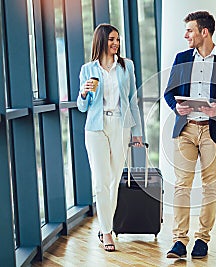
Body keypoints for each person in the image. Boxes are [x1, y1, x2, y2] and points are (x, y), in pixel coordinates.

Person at [164, 11, 216, 259]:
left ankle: (202, 239)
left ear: (204, 32)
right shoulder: (182, 58)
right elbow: (169, 92)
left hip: (213, 131)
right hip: (186, 129)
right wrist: (176, 106)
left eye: (190, 30)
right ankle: (179, 241)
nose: (186, 35)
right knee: (181, 186)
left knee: (210, 186)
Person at [77, 24, 143, 252]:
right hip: (96, 127)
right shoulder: (88, 69)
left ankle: (106, 226)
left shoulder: (127, 66)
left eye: (118, 39)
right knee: (100, 181)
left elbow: (133, 100)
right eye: (112, 39)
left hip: (120, 125)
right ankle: (107, 232)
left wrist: (138, 133)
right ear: (102, 41)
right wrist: (83, 93)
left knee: (114, 181)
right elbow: (82, 106)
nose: (116, 43)